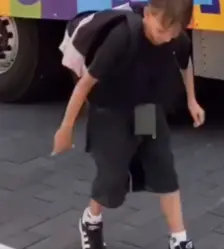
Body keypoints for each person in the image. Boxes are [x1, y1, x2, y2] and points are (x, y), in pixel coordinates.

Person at [51, 0, 205, 249]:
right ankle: (91, 220)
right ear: (147, 14)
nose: (164, 38)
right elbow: (84, 85)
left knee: (162, 166)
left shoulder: (177, 39)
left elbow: (185, 64)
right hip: (112, 110)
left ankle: (179, 239)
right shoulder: (122, 37)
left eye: (172, 33)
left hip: (145, 109)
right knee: (113, 177)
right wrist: (66, 127)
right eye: (159, 30)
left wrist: (192, 101)